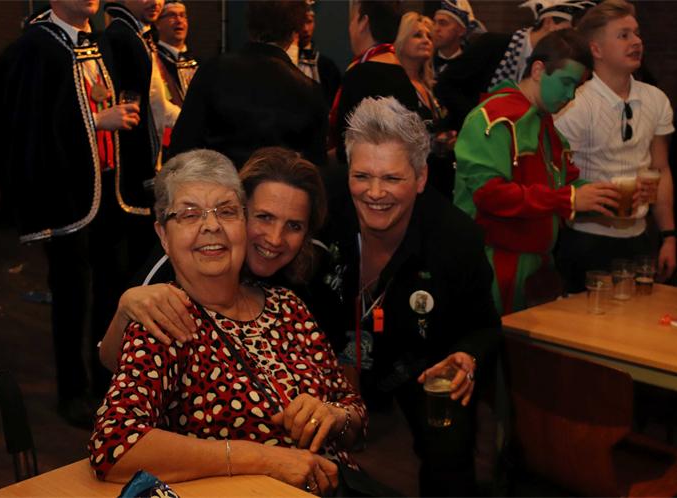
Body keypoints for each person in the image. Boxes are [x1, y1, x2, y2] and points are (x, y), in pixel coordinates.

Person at [89, 149, 365, 494]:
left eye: (226, 211)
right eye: (189, 214)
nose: (211, 225)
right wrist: (265, 459)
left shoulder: (289, 304)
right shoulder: (164, 316)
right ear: (163, 236)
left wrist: (335, 416)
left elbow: (352, 408)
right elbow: (114, 446)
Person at [315, 96, 500, 496]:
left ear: (420, 177)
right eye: (362, 176)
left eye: (392, 178)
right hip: (327, 363)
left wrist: (468, 357)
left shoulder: (456, 239)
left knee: (449, 446)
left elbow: (485, 326)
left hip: (419, 367)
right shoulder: (325, 213)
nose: (374, 193)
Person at [2, 0, 143, 427]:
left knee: (111, 288)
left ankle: (106, 378)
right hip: (67, 193)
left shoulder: (97, 42)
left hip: (107, 188)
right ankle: (72, 390)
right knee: (71, 295)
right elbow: (29, 122)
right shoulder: (36, 46)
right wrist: (97, 121)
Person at [98, 146, 328, 365]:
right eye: (264, 217)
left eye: (294, 226)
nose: (275, 238)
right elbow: (112, 360)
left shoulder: (305, 285)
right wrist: (126, 307)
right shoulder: (183, 259)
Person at [453, 29, 621, 315]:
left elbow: (566, 185)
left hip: (536, 268)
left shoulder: (546, 126)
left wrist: (607, 196)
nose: (570, 96)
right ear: (538, 70)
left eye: (577, 88)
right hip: (491, 265)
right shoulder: (494, 118)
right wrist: (568, 199)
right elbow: (490, 195)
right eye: (566, 83)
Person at [554, 0, 677, 292]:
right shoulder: (575, 103)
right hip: (585, 239)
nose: (636, 42)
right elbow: (556, 177)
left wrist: (668, 236)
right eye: (623, 35)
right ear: (596, 50)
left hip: (640, 237)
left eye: (637, 33)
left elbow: (660, 168)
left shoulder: (656, 99)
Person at [169, 0, 328, 168]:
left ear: (249, 23)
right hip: (278, 182)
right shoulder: (309, 90)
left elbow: (182, 146)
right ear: (294, 32)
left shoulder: (214, 70)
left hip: (218, 180)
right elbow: (314, 166)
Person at [437, 0, 597, 128]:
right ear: (549, 22)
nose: (570, 40)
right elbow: (446, 84)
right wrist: (478, 119)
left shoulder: (555, 65)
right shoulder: (493, 44)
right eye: (567, 31)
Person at [330, 0, 417, 162]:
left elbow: (346, 146)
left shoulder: (359, 76)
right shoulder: (402, 75)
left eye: (353, 20)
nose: (350, 27)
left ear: (364, 22)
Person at [102, 0, 180, 172]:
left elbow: (155, 100)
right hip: (132, 156)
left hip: (147, 151)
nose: (155, 2)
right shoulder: (120, 36)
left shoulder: (139, 34)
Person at [395, 12, 456, 198]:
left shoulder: (431, 87)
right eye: (417, 35)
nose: (426, 40)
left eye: (429, 36)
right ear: (401, 41)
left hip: (439, 180)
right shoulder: (395, 84)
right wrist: (435, 142)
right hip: (410, 182)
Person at [155, 0, 198, 108]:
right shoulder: (154, 60)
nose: (179, 21)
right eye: (172, 15)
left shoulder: (198, 61)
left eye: (183, 16)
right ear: (157, 23)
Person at [296, 4, 341, 106]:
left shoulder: (328, 67)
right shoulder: (283, 62)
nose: (305, 29)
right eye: (300, 23)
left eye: (309, 22)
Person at [431, 0, 485, 76]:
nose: (436, 29)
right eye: (434, 23)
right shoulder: (425, 62)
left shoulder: (473, 65)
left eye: (443, 23)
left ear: (461, 31)